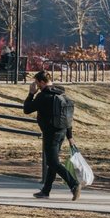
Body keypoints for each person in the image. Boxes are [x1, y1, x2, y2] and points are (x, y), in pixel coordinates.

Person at [23, 70, 81, 200]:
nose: (36, 87)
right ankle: (46, 191)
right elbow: (67, 117)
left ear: (42, 82)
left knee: (53, 162)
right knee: (52, 162)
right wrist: (70, 136)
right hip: (62, 132)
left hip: (50, 133)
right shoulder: (61, 94)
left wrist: (31, 94)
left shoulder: (43, 96)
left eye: (37, 84)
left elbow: (27, 109)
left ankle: (74, 184)